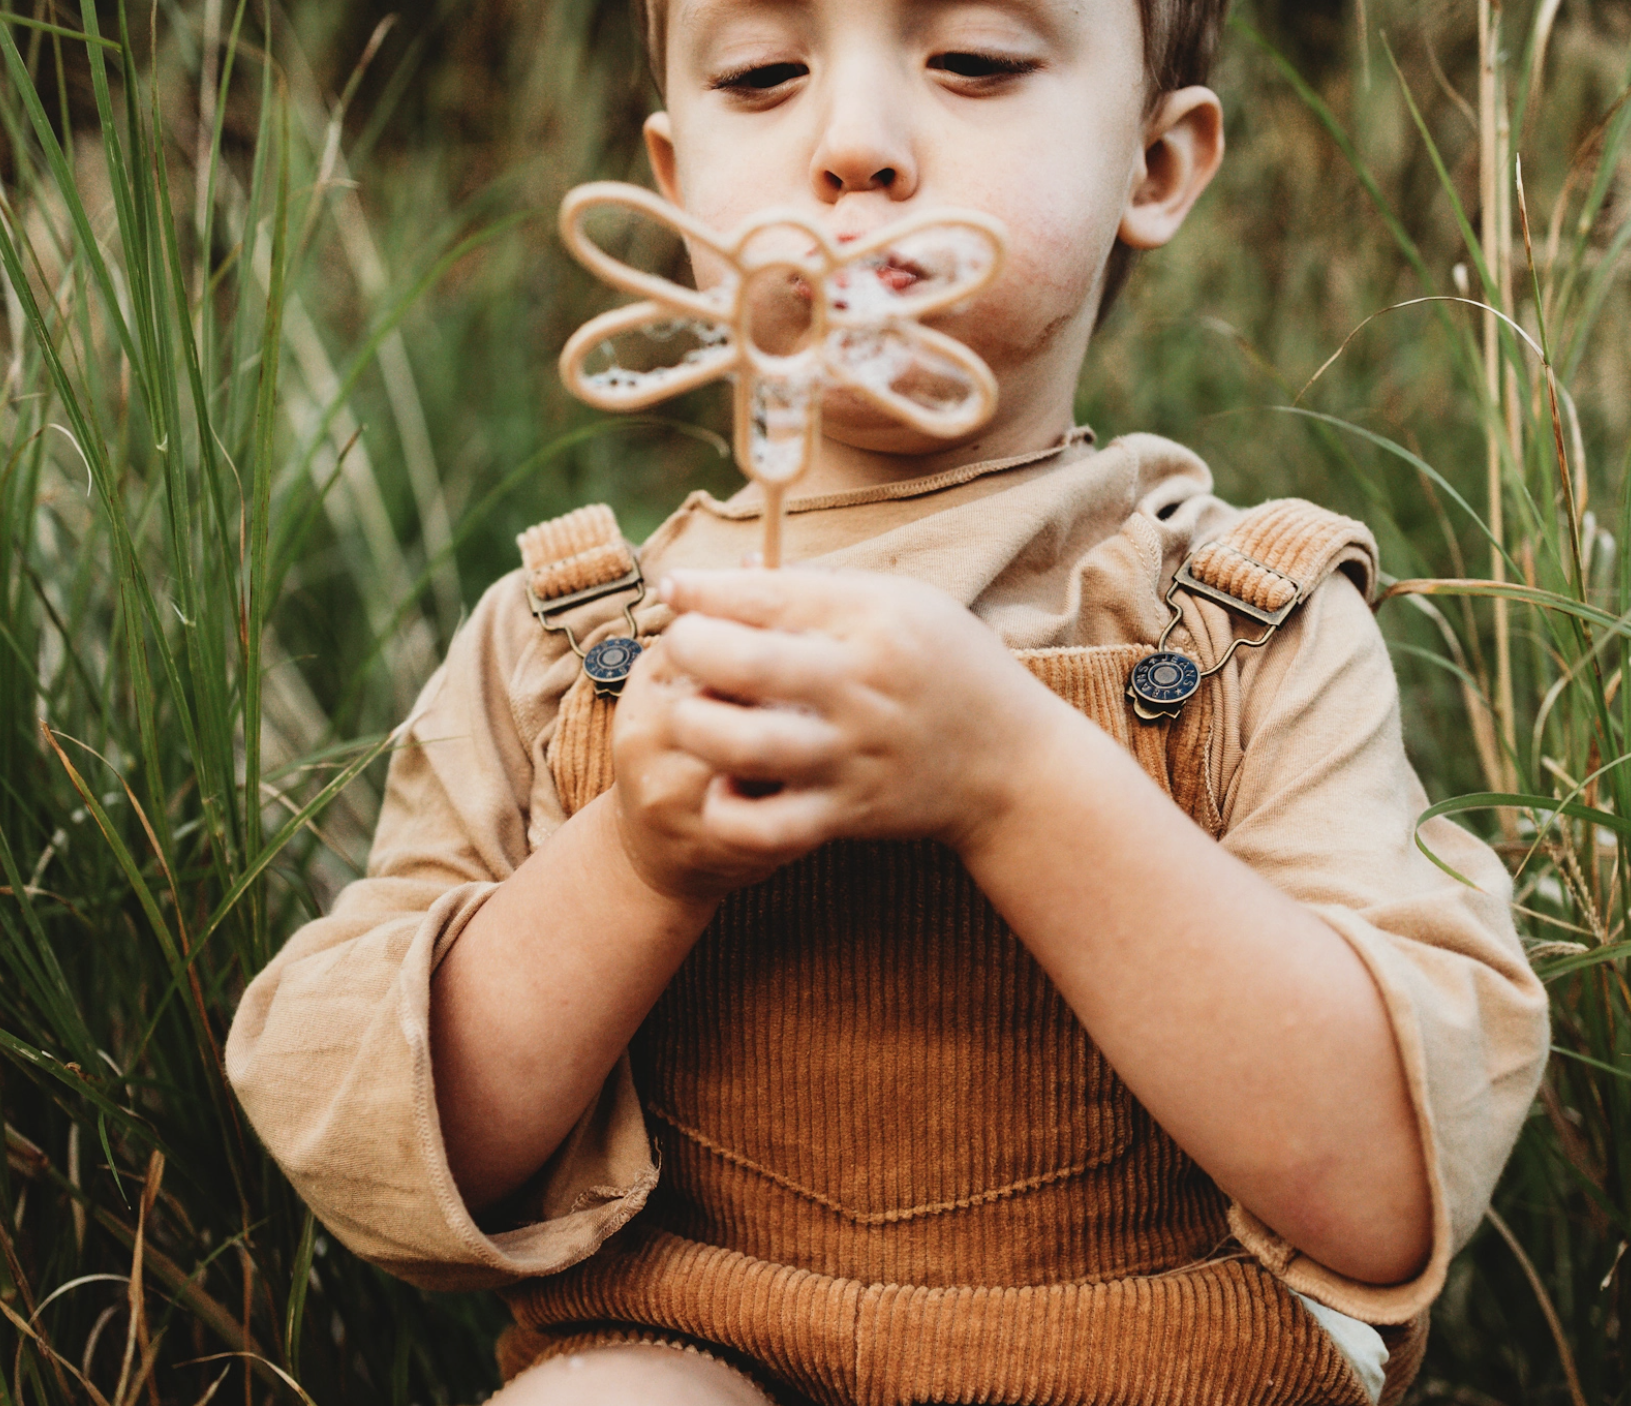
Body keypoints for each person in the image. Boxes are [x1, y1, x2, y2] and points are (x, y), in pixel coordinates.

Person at [226, 0, 1551, 1402]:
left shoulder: (1246, 633)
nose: (853, 143)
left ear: (1153, 166)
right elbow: (379, 1153)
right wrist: (633, 860)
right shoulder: (561, 648)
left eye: (974, 60)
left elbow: (1385, 1186)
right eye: (763, 73)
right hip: (693, 1350)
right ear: (671, 183)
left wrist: (1016, 782)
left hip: (1151, 1364)